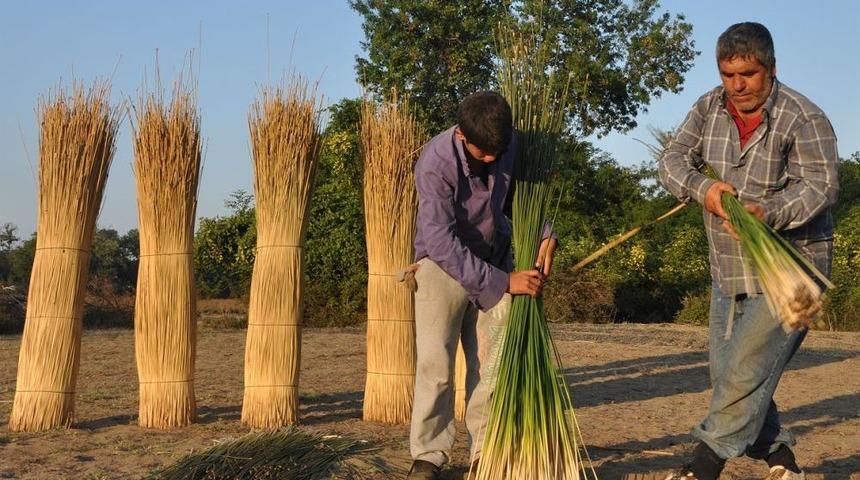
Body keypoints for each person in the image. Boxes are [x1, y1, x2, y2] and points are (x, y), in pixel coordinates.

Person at [658, 22, 838, 480]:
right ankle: (782, 460)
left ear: (771, 69)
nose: (737, 86)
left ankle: (703, 466)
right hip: (730, 268)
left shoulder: (805, 118)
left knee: (743, 369)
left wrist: (768, 213)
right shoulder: (707, 108)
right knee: (730, 375)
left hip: (795, 270)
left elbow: (821, 187)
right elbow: (671, 162)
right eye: (728, 75)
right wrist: (704, 189)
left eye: (748, 74)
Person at [407, 91, 557, 480]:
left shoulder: (507, 144)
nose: (491, 159)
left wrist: (545, 233)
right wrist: (504, 281)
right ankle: (429, 455)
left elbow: (518, 198)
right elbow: (440, 240)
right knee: (436, 364)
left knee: (492, 364)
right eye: (483, 153)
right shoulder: (435, 162)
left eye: (497, 152)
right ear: (461, 135)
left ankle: (485, 453)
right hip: (443, 265)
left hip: (493, 257)